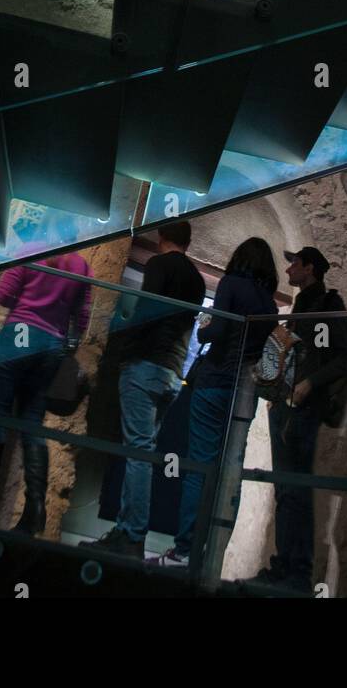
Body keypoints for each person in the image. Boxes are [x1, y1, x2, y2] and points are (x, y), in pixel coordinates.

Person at [152, 236, 279, 569]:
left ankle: (184, 551)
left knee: (199, 468)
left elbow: (218, 331)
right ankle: (214, 554)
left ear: (240, 257)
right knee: (229, 473)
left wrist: (204, 329)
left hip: (215, 382)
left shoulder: (231, 284)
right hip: (244, 392)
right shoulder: (268, 302)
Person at [86, 220, 205, 558]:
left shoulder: (158, 264)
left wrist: (124, 347)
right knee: (145, 451)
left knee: (137, 452)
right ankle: (128, 530)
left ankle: (132, 535)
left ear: (161, 237)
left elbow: (147, 311)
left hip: (145, 364)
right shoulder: (196, 279)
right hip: (172, 371)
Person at [0, 252, 92, 535]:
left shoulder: (33, 249)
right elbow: (82, 320)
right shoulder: (82, 265)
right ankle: (35, 511)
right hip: (51, 347)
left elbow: (4, 296)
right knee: (32, 425)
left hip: (18, 335)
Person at [256, 246, 347, 595]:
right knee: (287, 490)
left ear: (310, 267)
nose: (288, 271)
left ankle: (297, 573)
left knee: (295, 490)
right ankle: (285, 567)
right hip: (286, 406)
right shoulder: (303, 306)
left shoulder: (329, 303)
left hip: (305, 407)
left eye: (294, 264)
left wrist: (309, 384)